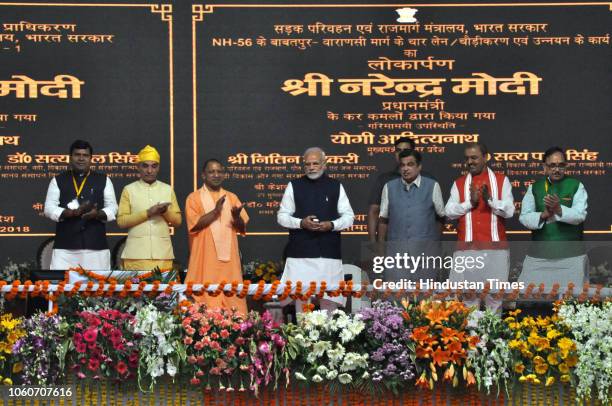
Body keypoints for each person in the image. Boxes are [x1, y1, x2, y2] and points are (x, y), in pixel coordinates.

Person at [277, 147, 355, 313]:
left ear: (324, 164)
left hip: (328, 254)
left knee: (329, 301)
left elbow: (349, 217)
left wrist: (331, 225)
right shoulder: (294, 185)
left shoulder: (336, 186)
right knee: (302, 302)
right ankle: (301, 339)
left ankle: (326, 338)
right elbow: (281, 216)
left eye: (315, 163)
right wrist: (301, 223)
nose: (311, 167)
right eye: (307, 164)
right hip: (300, 255)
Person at [445, 142, 515, 312]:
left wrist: (490, 200)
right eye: (467, 158)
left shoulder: (501, 180)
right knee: (469, 299)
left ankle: (493, 338)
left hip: (496, 249)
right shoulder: (459, 183)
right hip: (467, 250)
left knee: (495, 299)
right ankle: (473, 338)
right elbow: (449, 212)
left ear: (485, 158)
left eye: (474, 157)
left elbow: (510, 211)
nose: (470, 162)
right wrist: (471, 202)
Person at [185, 159, 248, 314]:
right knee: (204, 309)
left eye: (219, 171)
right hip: (204, 263)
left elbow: (241, 228)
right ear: (203, 175)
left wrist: (236, 217)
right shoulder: (194, 198)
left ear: (224, 175)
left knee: (234, 308)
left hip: (229, 266)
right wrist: (215, 212)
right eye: (211, 172)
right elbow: (195, 226)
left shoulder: (232, 198)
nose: (216, 175)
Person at [518, 146, 588, 288]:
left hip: (571, 256)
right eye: (552, 165)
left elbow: (580, 215)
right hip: (538, 256)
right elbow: (524, 217)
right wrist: (543, 215)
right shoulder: (535, 187)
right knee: (531, 298)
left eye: (561, 165)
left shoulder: (576, 185)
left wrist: (559, 209)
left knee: (570, 302)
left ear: (566, 166)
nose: (557, 169)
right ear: (544, 167)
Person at [44, 140, 118, 270]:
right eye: (77, 155)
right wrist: (70, 213)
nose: (81, 158)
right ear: (70, 158)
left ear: (91, 158)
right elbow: (49, 208)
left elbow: (113, 207)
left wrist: (97, 214)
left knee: (97, 289)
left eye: (85, 155)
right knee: (63, 289)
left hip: (96, 247)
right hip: (65, 248)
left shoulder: (104, 180)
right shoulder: (57, 180)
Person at [378, 149, 445, 282]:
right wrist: (381, 249)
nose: (405, 169)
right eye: (402, 165)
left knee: (425, 299)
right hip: (396, 255)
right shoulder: (389, 187)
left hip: (425, 254)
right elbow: (383, 220)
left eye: (410, 164)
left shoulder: (432, 186)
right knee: (396, 297)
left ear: (419, 166)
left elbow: (441, 217)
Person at [116, 145, 182, 271]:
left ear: (158, 168)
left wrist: (165, 211)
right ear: (138, 167)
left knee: (163, 291)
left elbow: (178, 221)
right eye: (145, 166)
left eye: (154, 166)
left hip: (163, 256)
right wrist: (148, 213)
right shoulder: (129, 190)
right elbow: (121, 221)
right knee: (136, 291)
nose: (149, 170)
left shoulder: (167, 189)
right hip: (135, 257)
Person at [367, 137, 416, 243]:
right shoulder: (384, 180)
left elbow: (437, 216)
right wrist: (372, 242)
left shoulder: (427, 181)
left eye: (406, 151)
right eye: (398, 150)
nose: (401, 153)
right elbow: (374, 212)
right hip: (391, 241)